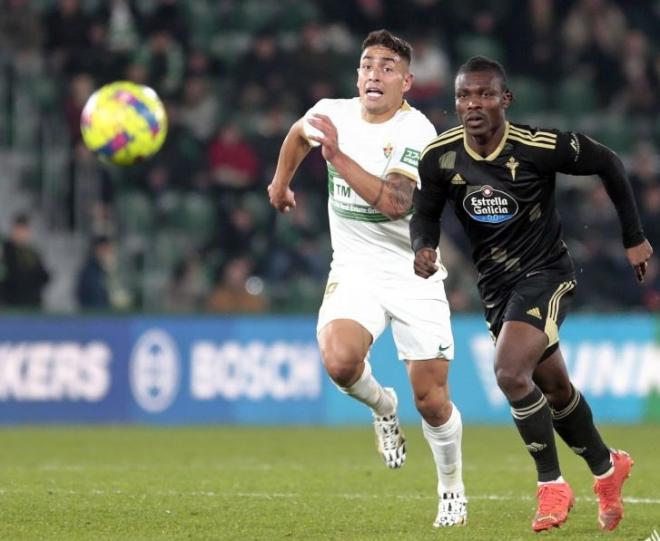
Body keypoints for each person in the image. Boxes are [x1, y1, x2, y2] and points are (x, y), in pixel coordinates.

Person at [410, 55, 653, 533]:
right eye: (463, 95)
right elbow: (425, 211)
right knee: (555, 390)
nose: (473, 104)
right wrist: (424, 247)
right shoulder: (440, 157)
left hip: (546, 274)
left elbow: (608, 161)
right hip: (497, 288)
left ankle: (551, 485)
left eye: (484, 94)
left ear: (506, 99)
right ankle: (607, 468)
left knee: (508, 371)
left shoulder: (538, 146)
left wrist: (633, 237)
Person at [267, 29, 467, 527]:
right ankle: (382, 406)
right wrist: (280, 182)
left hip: (411, 272)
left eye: (386, 67)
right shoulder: (330, 113)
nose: (374, 74)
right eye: (367, 64)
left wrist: (336, 158)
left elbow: (398, 201)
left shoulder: (417, 130)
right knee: (339, 362)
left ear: (406, 82)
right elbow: (297, 135)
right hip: (355, 267)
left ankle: (451, 489)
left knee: (432, 400)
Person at [0, 213, 50, 308]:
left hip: (32, 305)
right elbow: (9, 276)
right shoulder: (6, 251)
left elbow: (44, 276)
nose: (22, 233)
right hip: (11, 306)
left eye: (25, 229)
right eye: (19, 229)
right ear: (13, 229)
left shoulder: (33, 253)